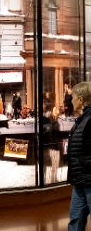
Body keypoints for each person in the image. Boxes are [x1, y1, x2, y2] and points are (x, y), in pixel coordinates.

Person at [67, 82, 91, 231]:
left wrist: (85, 164)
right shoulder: (82, 120)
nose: (71, 101)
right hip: (80, 180)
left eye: (73, 98)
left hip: (89, 179)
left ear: (81, 100)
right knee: (75, 221)